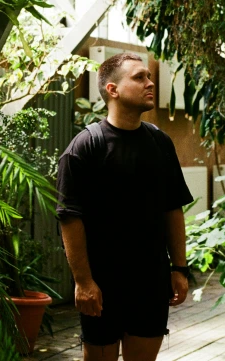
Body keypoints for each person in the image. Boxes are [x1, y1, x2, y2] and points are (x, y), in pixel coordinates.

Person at [56, 52, 194, 361]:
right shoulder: (85, 147)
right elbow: (69, 218)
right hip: (103, 285)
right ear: (112, 90)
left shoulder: (160, 143)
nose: (150, 83)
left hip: (151, 282)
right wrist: (83, 282)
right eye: (139, 77)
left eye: (149, 76)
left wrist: (180, 268)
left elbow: (173, 208)